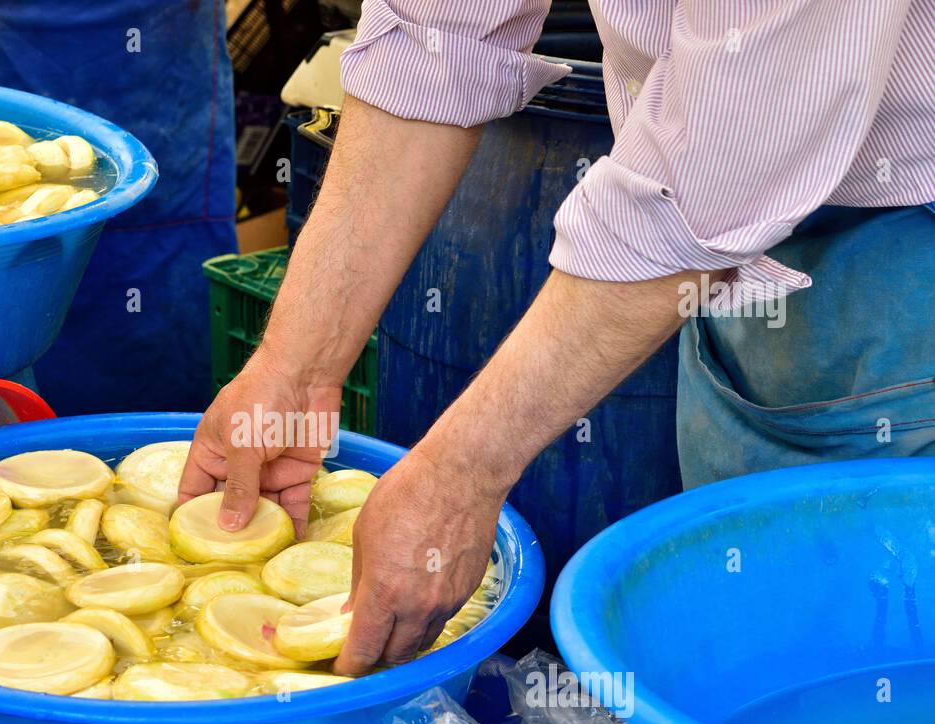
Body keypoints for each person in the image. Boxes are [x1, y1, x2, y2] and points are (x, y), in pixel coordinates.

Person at [178, 1, 935, 674]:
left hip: (896, 239)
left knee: (867, 687)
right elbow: (436, 36)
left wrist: (455, 478)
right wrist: (293, 370)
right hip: (730, 241)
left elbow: (707, 185)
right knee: (760, 642)